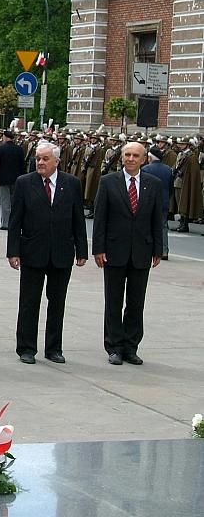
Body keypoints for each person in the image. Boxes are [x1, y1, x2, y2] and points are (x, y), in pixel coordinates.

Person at [7, 141, 88, 364]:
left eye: (45, 159)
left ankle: (53, 348)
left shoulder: (71, 184)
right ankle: (26, 348)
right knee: (29, 302)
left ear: (57, 161)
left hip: (61, 252)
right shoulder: (24, 183)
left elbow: (77, 219)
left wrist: (82, 250)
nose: (40, 163)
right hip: (33, 251)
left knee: (57, 302)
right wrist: (13, 251)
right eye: (37, 159)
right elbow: (15, 220)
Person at [93, 142, 163, 366]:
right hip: (114, 250)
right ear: (122, 157)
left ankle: (131, 347)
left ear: (144, 159)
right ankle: (114, 346)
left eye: (135, 155)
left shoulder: (153, 184)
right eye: (127, 155)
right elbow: (100, 218)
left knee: (136, 302)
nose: (131, 159)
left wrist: (157, 250)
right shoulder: (108, 182)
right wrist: (98, 249)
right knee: (113, 300)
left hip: (141, 251)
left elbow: (157, 220)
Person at [143, 146, 173, 259]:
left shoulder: (146, 169)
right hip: (163, 202)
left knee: (147, 226)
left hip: (149, 202)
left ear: (150, 157)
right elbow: (170, 187)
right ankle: (164, 251)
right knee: (163, 227)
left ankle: (149, 249)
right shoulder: (168, 169)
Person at [0, 130, 25, 230]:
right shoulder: (19, 149)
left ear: (5, 137)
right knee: (14, 201)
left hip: (4, 178)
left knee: (5, 201)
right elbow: (22, 165)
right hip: (17, 179)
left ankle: (5, 223)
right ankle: (14, 223)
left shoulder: (1, 149)